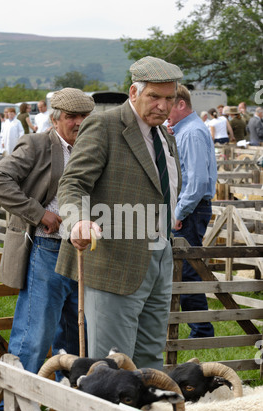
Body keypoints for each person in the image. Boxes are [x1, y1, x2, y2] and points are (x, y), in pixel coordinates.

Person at [56, 56, 183, 371]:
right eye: (154, 96)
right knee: (111, 364)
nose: (163, 105)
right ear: (134, 92)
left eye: (170, 98)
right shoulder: (104, 124)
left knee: (151, 359)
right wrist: (77, 221)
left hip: (159, 254)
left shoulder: (164, 135)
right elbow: (72, 183)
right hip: (113, 258)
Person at [0, 88, 95, 385]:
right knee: (33, 336)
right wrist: (38, 212)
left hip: (84, 251)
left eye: (85, 116)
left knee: (75, 337)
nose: (79, 122)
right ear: (56, 119)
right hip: (49, 248)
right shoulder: (37, 144)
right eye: (72, 117)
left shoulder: (94, 147)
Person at [167, 84, 217, 338]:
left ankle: (201, 330)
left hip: (191, 209)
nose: (164, 109)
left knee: (187, 270)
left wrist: (179, 212)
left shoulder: (192, 133)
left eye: (169, 103)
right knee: (184, 269)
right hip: (191, 208)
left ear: (181, 104)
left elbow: (196, 182)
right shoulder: (185, 130)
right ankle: (198, 327)